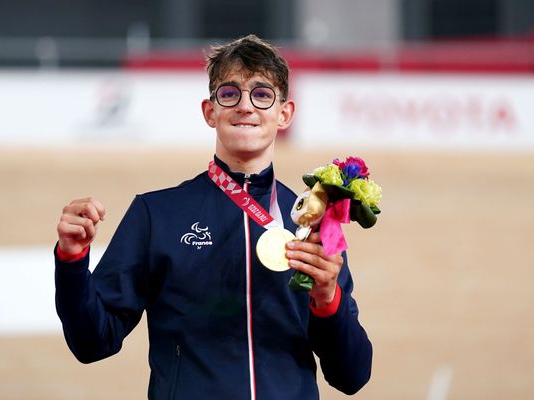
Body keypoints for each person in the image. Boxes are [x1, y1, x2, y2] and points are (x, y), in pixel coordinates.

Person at [54, 34, 372, 399]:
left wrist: (327, 298)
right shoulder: (157, 215)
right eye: (230, 93)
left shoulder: (315, 226)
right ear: (210, 111)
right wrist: (72, 260)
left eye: (262, 94)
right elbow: (92, 342)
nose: (245, 106)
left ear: (284, 113)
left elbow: (353, 374)